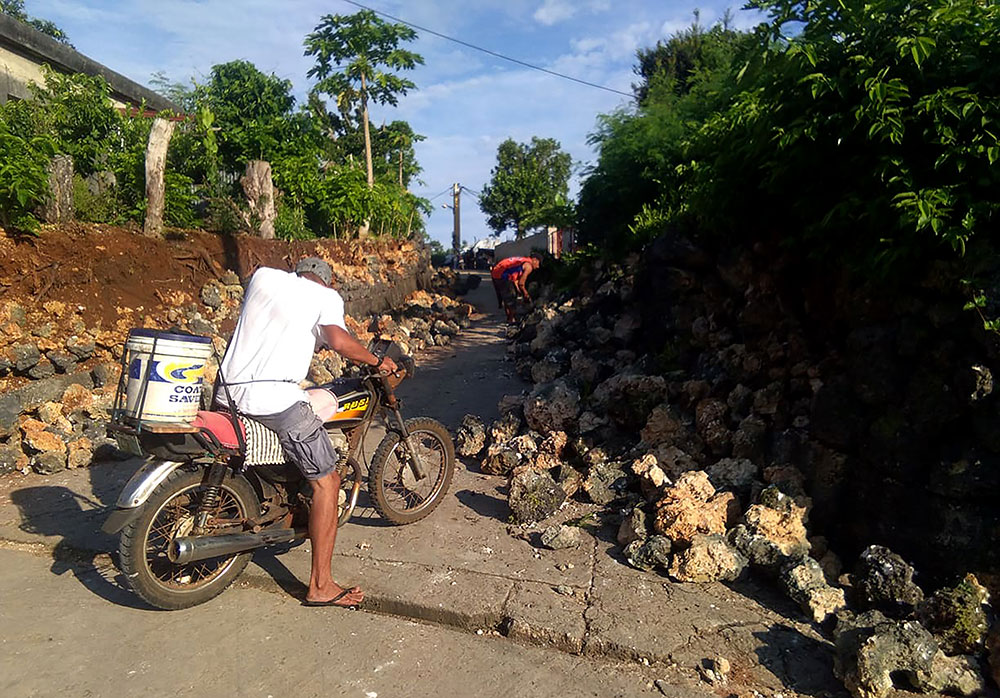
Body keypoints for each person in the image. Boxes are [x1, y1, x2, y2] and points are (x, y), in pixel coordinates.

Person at [217, 256, 398, 608]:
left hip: (228, 392)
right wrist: (377, 361)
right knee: (327, 480)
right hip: (273, 399)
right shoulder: (325, 298)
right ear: (326, 282)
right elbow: (337, 340)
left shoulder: (263, 279)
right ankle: (321, 585)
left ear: (298, 273)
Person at [490, 254, 541, 323]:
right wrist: (526, 295)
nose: (538, 267)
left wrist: (519, 291)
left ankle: (509, 317)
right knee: (511, 298)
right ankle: (511, 320)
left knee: (507, 296)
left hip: (496, 272)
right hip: (502, 275)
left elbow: (516, 281)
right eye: (539, 263)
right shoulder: (528, 266)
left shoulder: (522, 261)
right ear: (535, 260)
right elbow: (521, 283)